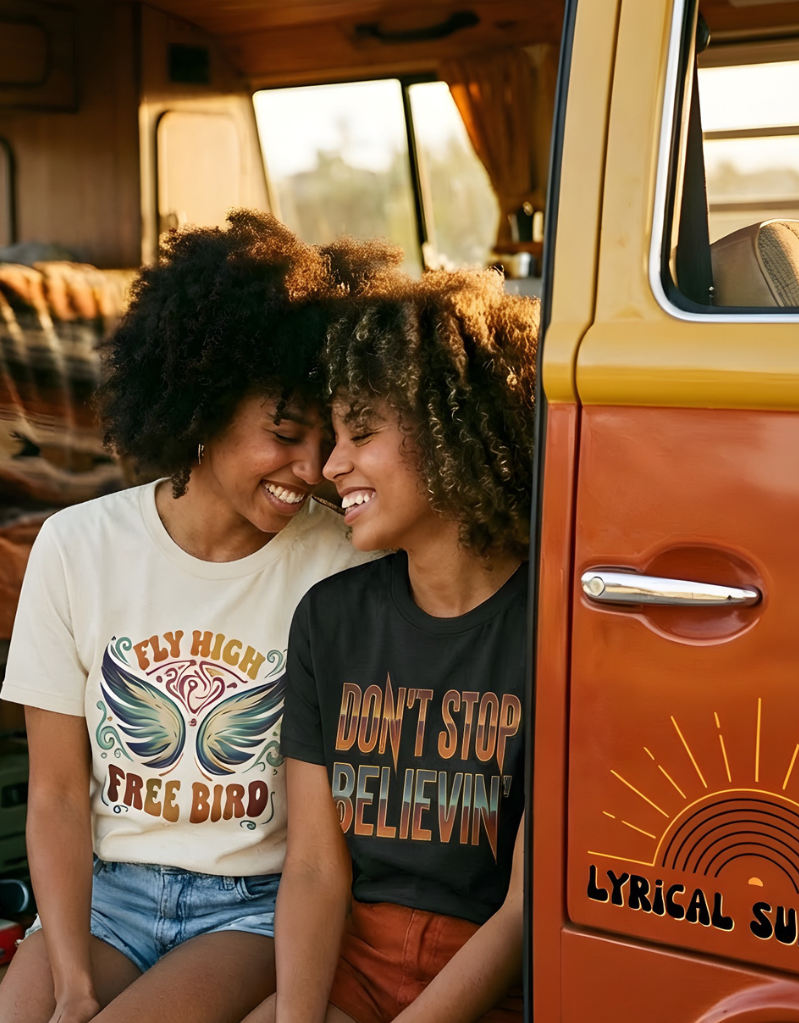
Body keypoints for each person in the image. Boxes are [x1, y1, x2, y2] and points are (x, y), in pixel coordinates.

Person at [0, 212, 393, 1023]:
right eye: (284, 434)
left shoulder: (341, 567)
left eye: (324, 437)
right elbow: (59, 794)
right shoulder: (76, 547)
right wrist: (71, 985)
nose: (311, 468)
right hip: (106, 894)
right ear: (201, 408)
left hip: (247, 908)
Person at [245, 265, 539, 1023]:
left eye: (362, 432)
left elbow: (524, 908)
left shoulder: (551, 631)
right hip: (353, 965)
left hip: (490, 983)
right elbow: (315, 868)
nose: (330, 465)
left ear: (452, 430)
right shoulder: (329, 620)